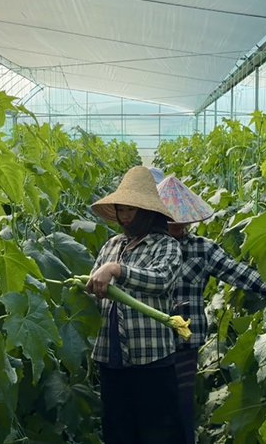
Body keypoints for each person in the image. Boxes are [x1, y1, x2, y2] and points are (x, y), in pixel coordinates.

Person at [154, 172, 266, 444]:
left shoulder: (203, 249)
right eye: (170, 219)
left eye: (181, 219)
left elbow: (236, 272)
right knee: (155, 407)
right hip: (151, 342)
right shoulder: (147, 247)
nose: (177, 224)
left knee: (182, 405)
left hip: (185, 341)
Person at [86, 165, 186, 444]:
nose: (125, 216)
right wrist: (89, 286)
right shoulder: (111, 245)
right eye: (121, 210)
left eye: (131, 209)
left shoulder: (165, 245)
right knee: (118, 432)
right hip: (111, 357)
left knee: (159, 434)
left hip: (151, 358)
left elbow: (161, 279)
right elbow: (95, 284)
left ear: (147, 212)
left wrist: (118, 270)